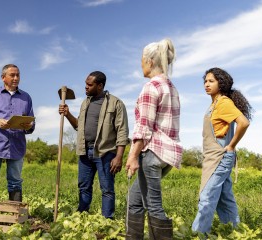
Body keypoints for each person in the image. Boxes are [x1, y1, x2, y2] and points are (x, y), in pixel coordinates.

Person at [125, 38, 181, 239]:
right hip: (166, 155)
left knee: (154, 206)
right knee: (135, 199)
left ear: (149, 61)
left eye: (141, 59)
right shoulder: (171, 87)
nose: (140, 63)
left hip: (151, 154)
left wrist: (132, 156)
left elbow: (144, 127)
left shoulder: (151, 87)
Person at [58, 71, 129, 219]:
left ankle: (107, 221)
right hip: (85, 151)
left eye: (89, 85)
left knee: (107, 189)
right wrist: (67, 114)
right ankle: (82, 217)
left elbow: (122, 132)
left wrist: (119, 156)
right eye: (85, 84)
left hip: (105, 152)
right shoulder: (86, 103)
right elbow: (79, 126)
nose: (85, 87)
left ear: (100, 86)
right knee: (83, 187)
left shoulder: (116, 103)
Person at [191, 67, 252, 234]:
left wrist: (231, 145)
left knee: (206, 198)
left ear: (221, 83)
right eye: (205, 81)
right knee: (225, 200)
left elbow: (243, 122)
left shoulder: (223, 102)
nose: (206, 84)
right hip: (214, 157)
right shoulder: (214, 104)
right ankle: (235, 233)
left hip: (219, 158)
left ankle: (198, 235)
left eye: (211, 81)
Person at [0, 64, 35, 202]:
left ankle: (15, 217)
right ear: (3, 78)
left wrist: (28, 125)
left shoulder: (26, 97)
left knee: (15, 181)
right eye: (12, 75)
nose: (16, 78)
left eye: (18, 75)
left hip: (17, 145)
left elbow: (32, 123)